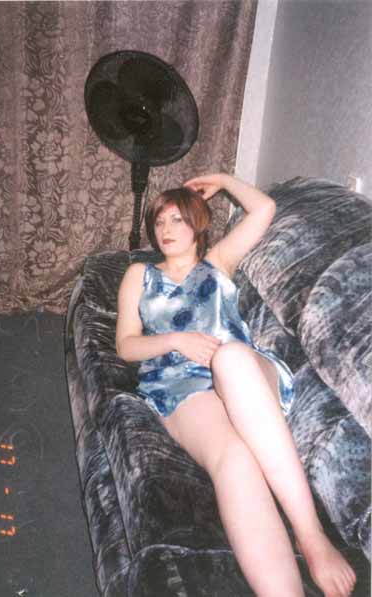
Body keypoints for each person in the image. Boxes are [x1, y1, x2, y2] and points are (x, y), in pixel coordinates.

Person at [116, 173, 356, 597]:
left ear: (197, 224)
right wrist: (176, 340)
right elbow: (126, 345)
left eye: (177, 219)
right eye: (159, 222)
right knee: (236, 460)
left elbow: (265, 209)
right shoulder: (140, 274)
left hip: (246, 374)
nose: (165, 229)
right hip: (179, 388)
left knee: (230, 358)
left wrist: (224, 180)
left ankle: (311, 535)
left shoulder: (218, 262)